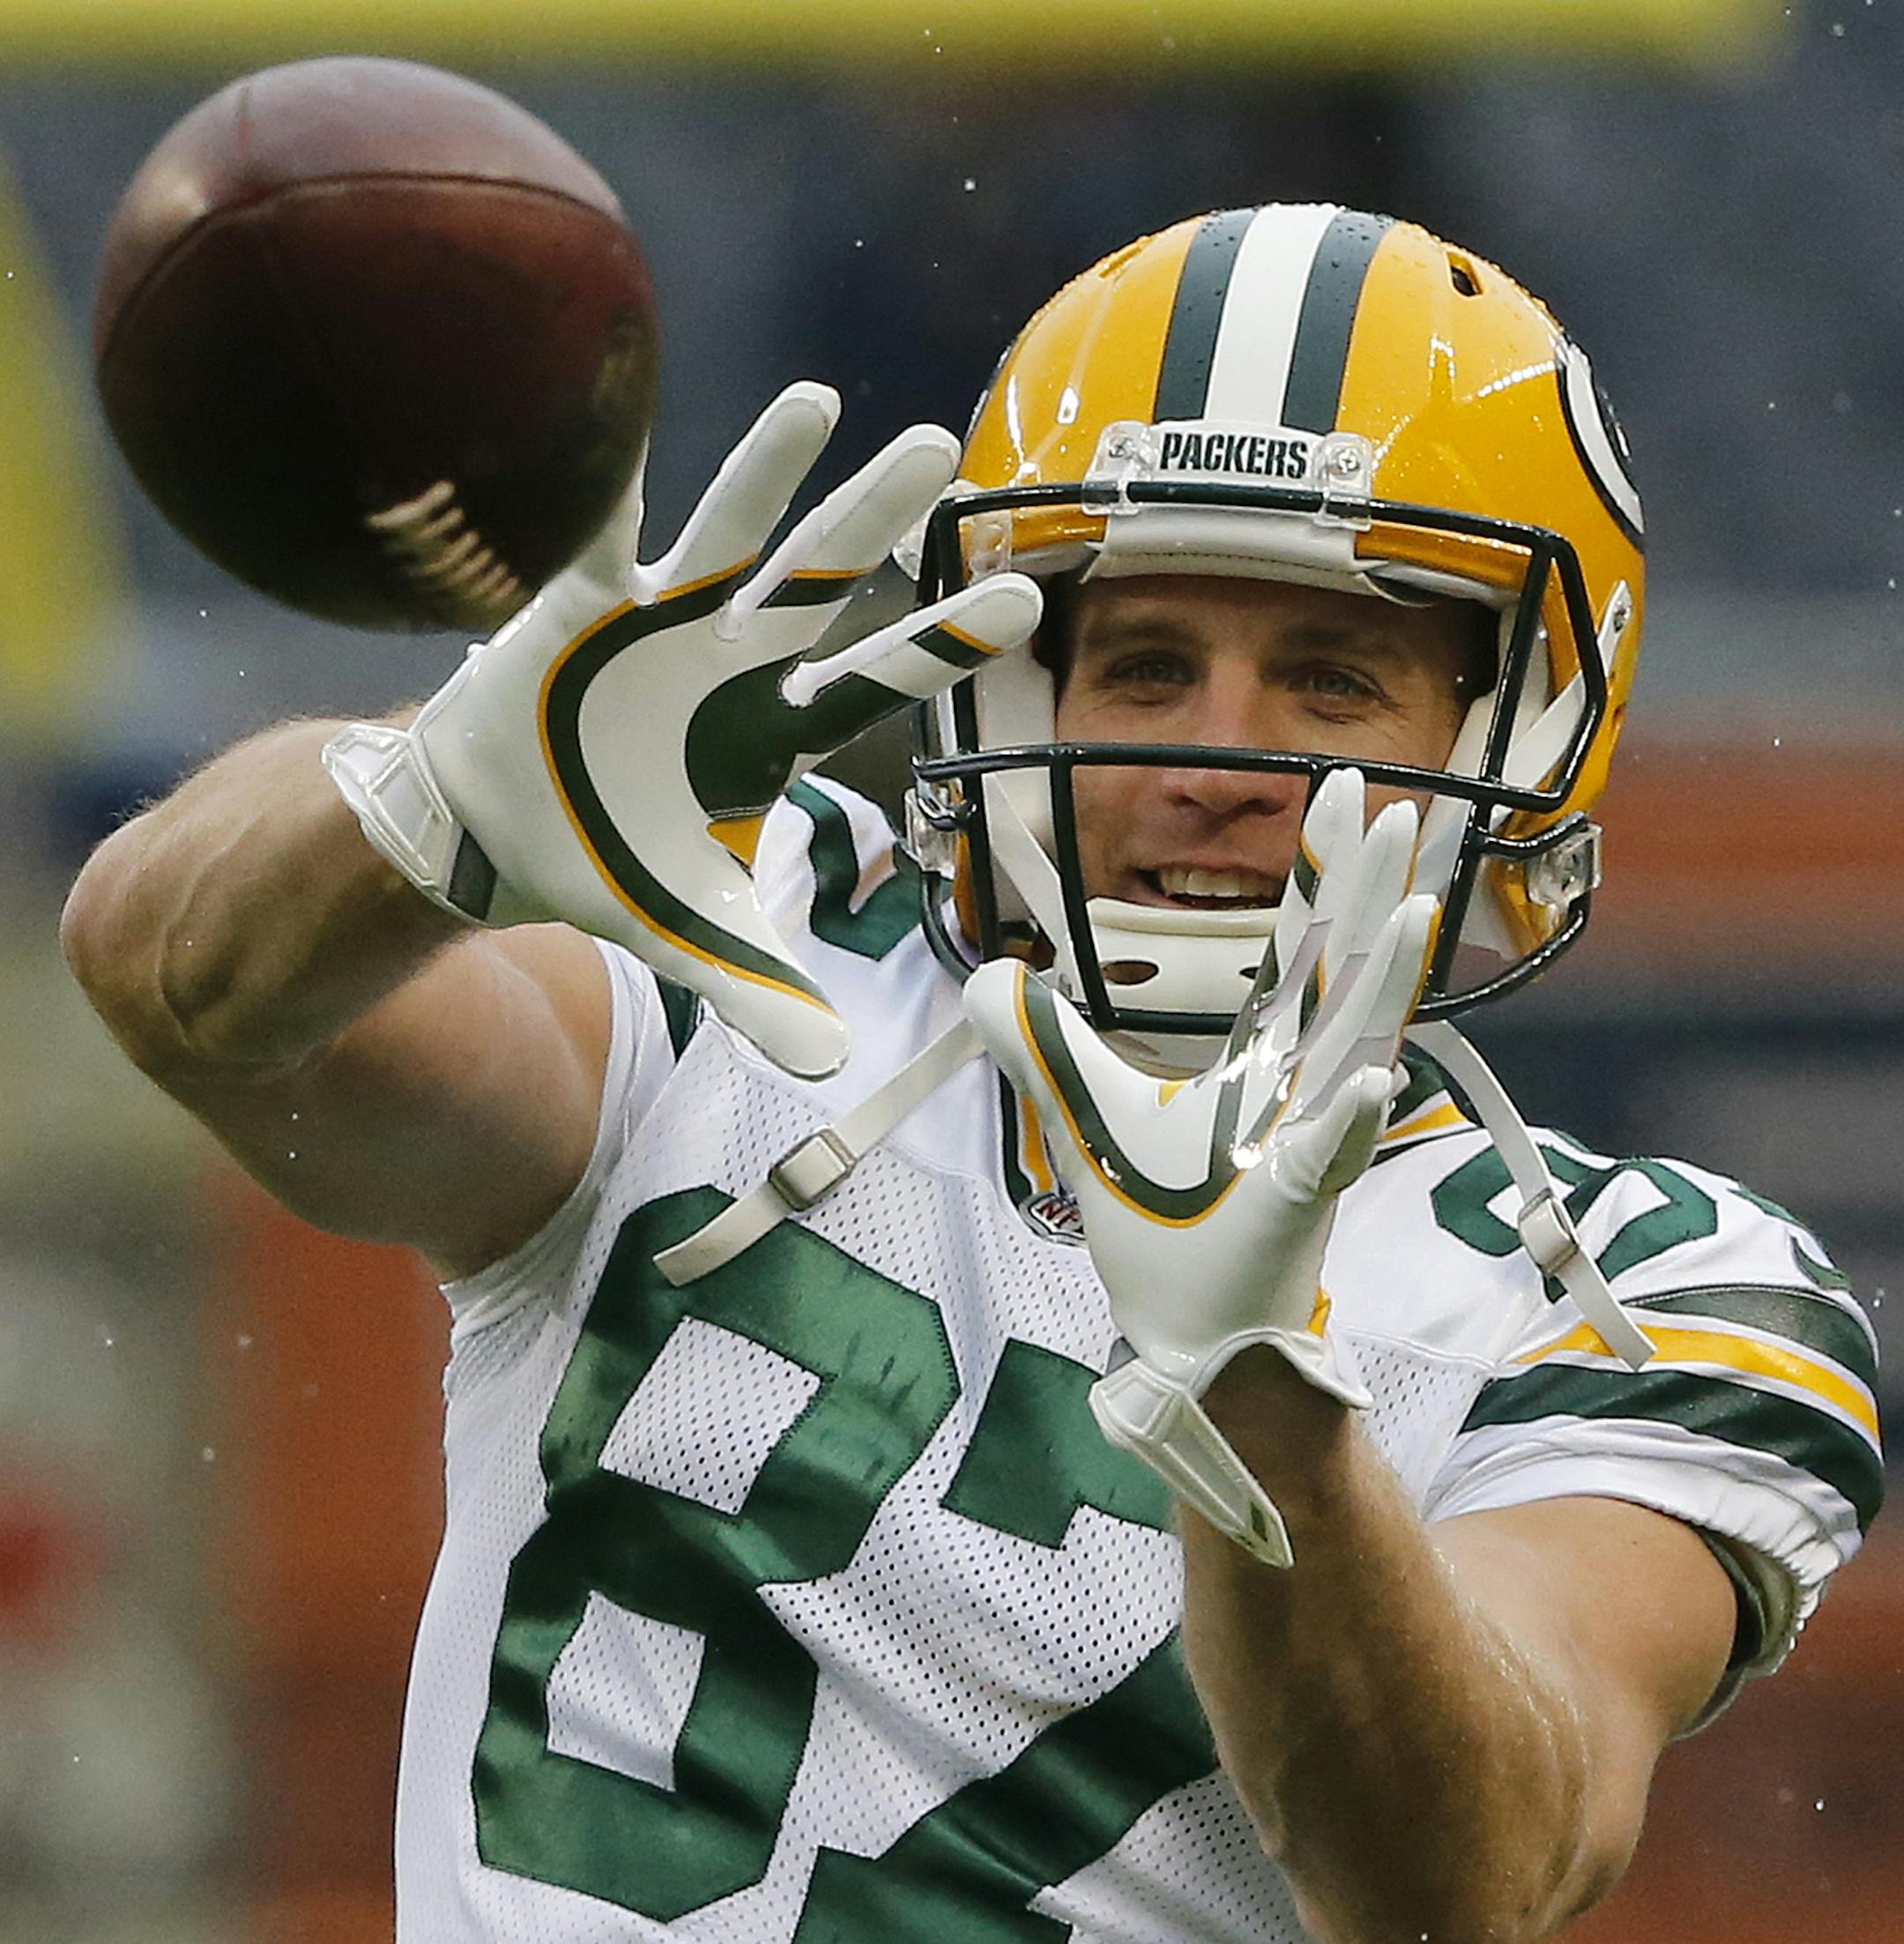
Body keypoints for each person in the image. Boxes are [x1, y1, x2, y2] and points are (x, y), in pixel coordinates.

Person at [63, 204, 1879, 1944]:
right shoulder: (759, 948)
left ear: (1520, 734)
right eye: (1146, 665)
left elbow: (1462, 1872)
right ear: (999, 691)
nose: (1216, 761)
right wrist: (425, 810)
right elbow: (189, 992)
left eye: (1332, 680)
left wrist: (1256, 1399)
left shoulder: (1645, 1285)